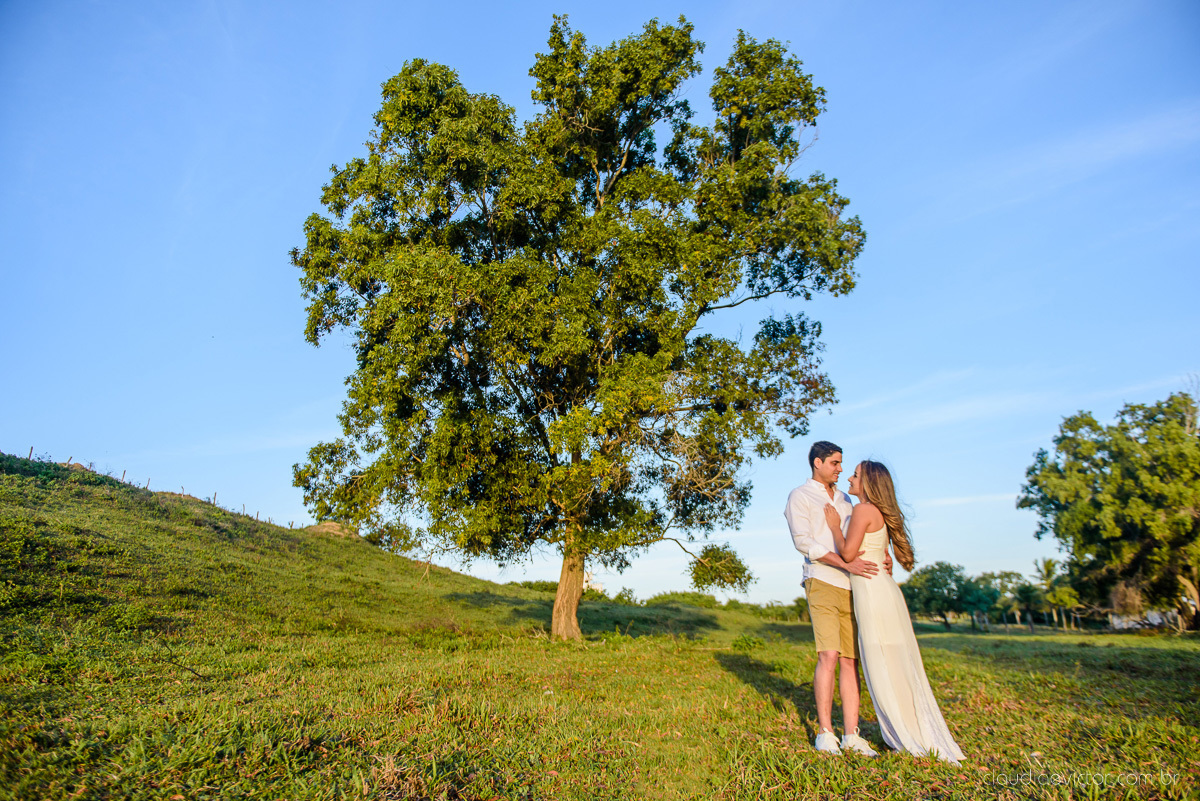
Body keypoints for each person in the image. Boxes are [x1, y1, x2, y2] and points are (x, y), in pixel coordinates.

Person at [822, 459, 965, 764]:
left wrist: (835, 528)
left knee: (882, 664)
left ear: (869, 482)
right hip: (882, 591)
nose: (849, 477)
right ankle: (908, 728)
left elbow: (847, 553)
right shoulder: (877, 513)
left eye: (856, 475)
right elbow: (877, 552)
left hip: (874, 596)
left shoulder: (863, 510)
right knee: (893, 663)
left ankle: (907, 732)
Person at [785, 441, 888, 756]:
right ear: (818, 463)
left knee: (849, 660)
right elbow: (805, 543)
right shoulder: (799, 497)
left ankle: (852, 736)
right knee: (828, 655)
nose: (841, 470)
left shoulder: (846, 501)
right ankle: (826, 732)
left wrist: (883, 555)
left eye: (842, 464)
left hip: (854, 585)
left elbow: (862, 538)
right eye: (835, 463)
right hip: (821, 580)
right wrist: (845, 563)